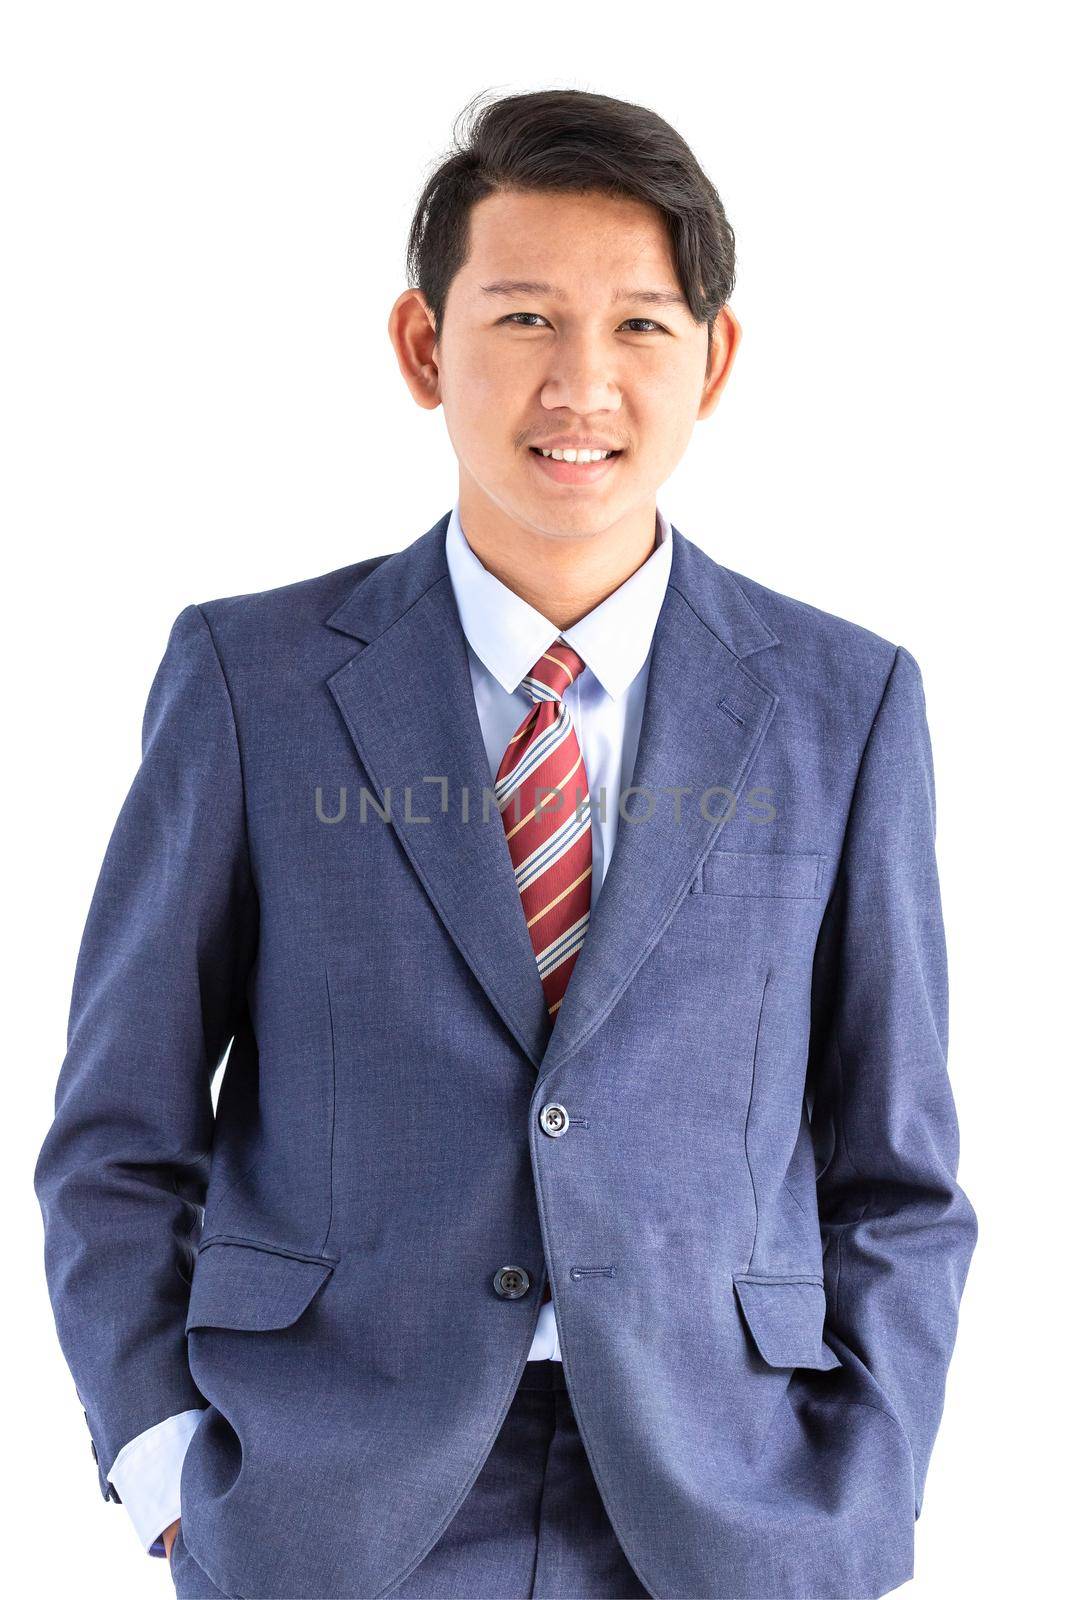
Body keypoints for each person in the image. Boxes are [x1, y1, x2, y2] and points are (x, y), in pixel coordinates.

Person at [33, 86, 978, 1599]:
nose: (581, 384)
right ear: (425, 346)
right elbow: (119, 1137)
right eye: (526, 318)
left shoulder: (843, 702)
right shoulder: (251, 680)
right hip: (327, 1504)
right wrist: (164, 1469)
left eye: (642, 328)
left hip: (729, 1508)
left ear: (716, 361)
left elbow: (899, 1171)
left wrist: (860, 1493)